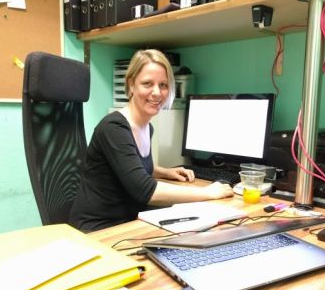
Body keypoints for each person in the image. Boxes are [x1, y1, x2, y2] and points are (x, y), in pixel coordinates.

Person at [69, 49, 234, 232]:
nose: (157, 92)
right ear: (131, 85)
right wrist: (207, 193)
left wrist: (164, 172)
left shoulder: (147, 127)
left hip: (129, 221)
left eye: (163, 85)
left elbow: (130, 166)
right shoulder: (114, 128)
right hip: (98, 230)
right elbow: (144, 189)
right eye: (147, 83)